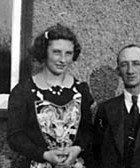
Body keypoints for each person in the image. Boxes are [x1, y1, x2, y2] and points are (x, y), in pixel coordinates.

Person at [7, 23, 94, 168]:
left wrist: (77, 149)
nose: (63, 60)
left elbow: (88, 130)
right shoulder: (24, 91)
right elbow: (15, 136)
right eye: (56, 52)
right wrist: (45, 155)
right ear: (44, 52)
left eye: (68, 53)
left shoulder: (81, 90)